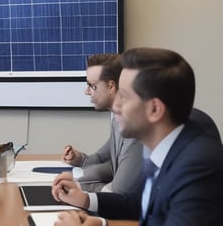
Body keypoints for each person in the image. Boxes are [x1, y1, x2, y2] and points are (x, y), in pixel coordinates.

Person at [52, 47, 223, 226]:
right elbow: (143, 204)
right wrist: (87, 202)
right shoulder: (162, 145)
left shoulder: (197, 169)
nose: (115, 105)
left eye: (123, 97)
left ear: (155, 109)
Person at [61, 53, 143, 192]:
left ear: (111, 86)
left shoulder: (134, 124)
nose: (86, 92)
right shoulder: (116, 118)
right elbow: (110, 163)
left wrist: (80, 187)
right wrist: (79, 162)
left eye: (92, 86)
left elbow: (118, 192)